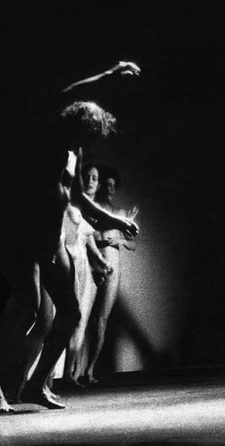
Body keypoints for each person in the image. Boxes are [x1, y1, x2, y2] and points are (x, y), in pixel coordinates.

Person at [0, 61, 141, 411]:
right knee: (27, 307)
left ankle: (35, 386)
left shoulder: (73, 152)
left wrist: (116, 220)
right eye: (84, 137)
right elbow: (70, 92)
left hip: (52, 241)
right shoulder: (47, 133)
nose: (85, 145)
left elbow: (78, 197)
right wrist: (111, 74)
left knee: (71, 314)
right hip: (23, 236)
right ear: (74, 126)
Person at [60, 164, 113, 388]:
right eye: (87, 177)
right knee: (62, 319)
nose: (90, 181)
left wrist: (99, 262)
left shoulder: (89, 209)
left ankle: (73, 372)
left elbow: (89, 237)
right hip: (68, 263)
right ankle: (54, 376)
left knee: (80, 319)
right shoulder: (71, 204)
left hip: (86, 268)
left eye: (94, 178)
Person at [83, 166, 137, 385]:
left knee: (101, 320)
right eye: (107, 184)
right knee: (82, 317)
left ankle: (89, 370)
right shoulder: (93, 209)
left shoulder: (120, 213)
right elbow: (88, 232)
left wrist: (120, 239)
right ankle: (73, 372)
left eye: (113, 186)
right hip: (95, 263)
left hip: (113, 267)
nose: (110, 189)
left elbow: (133, 243)